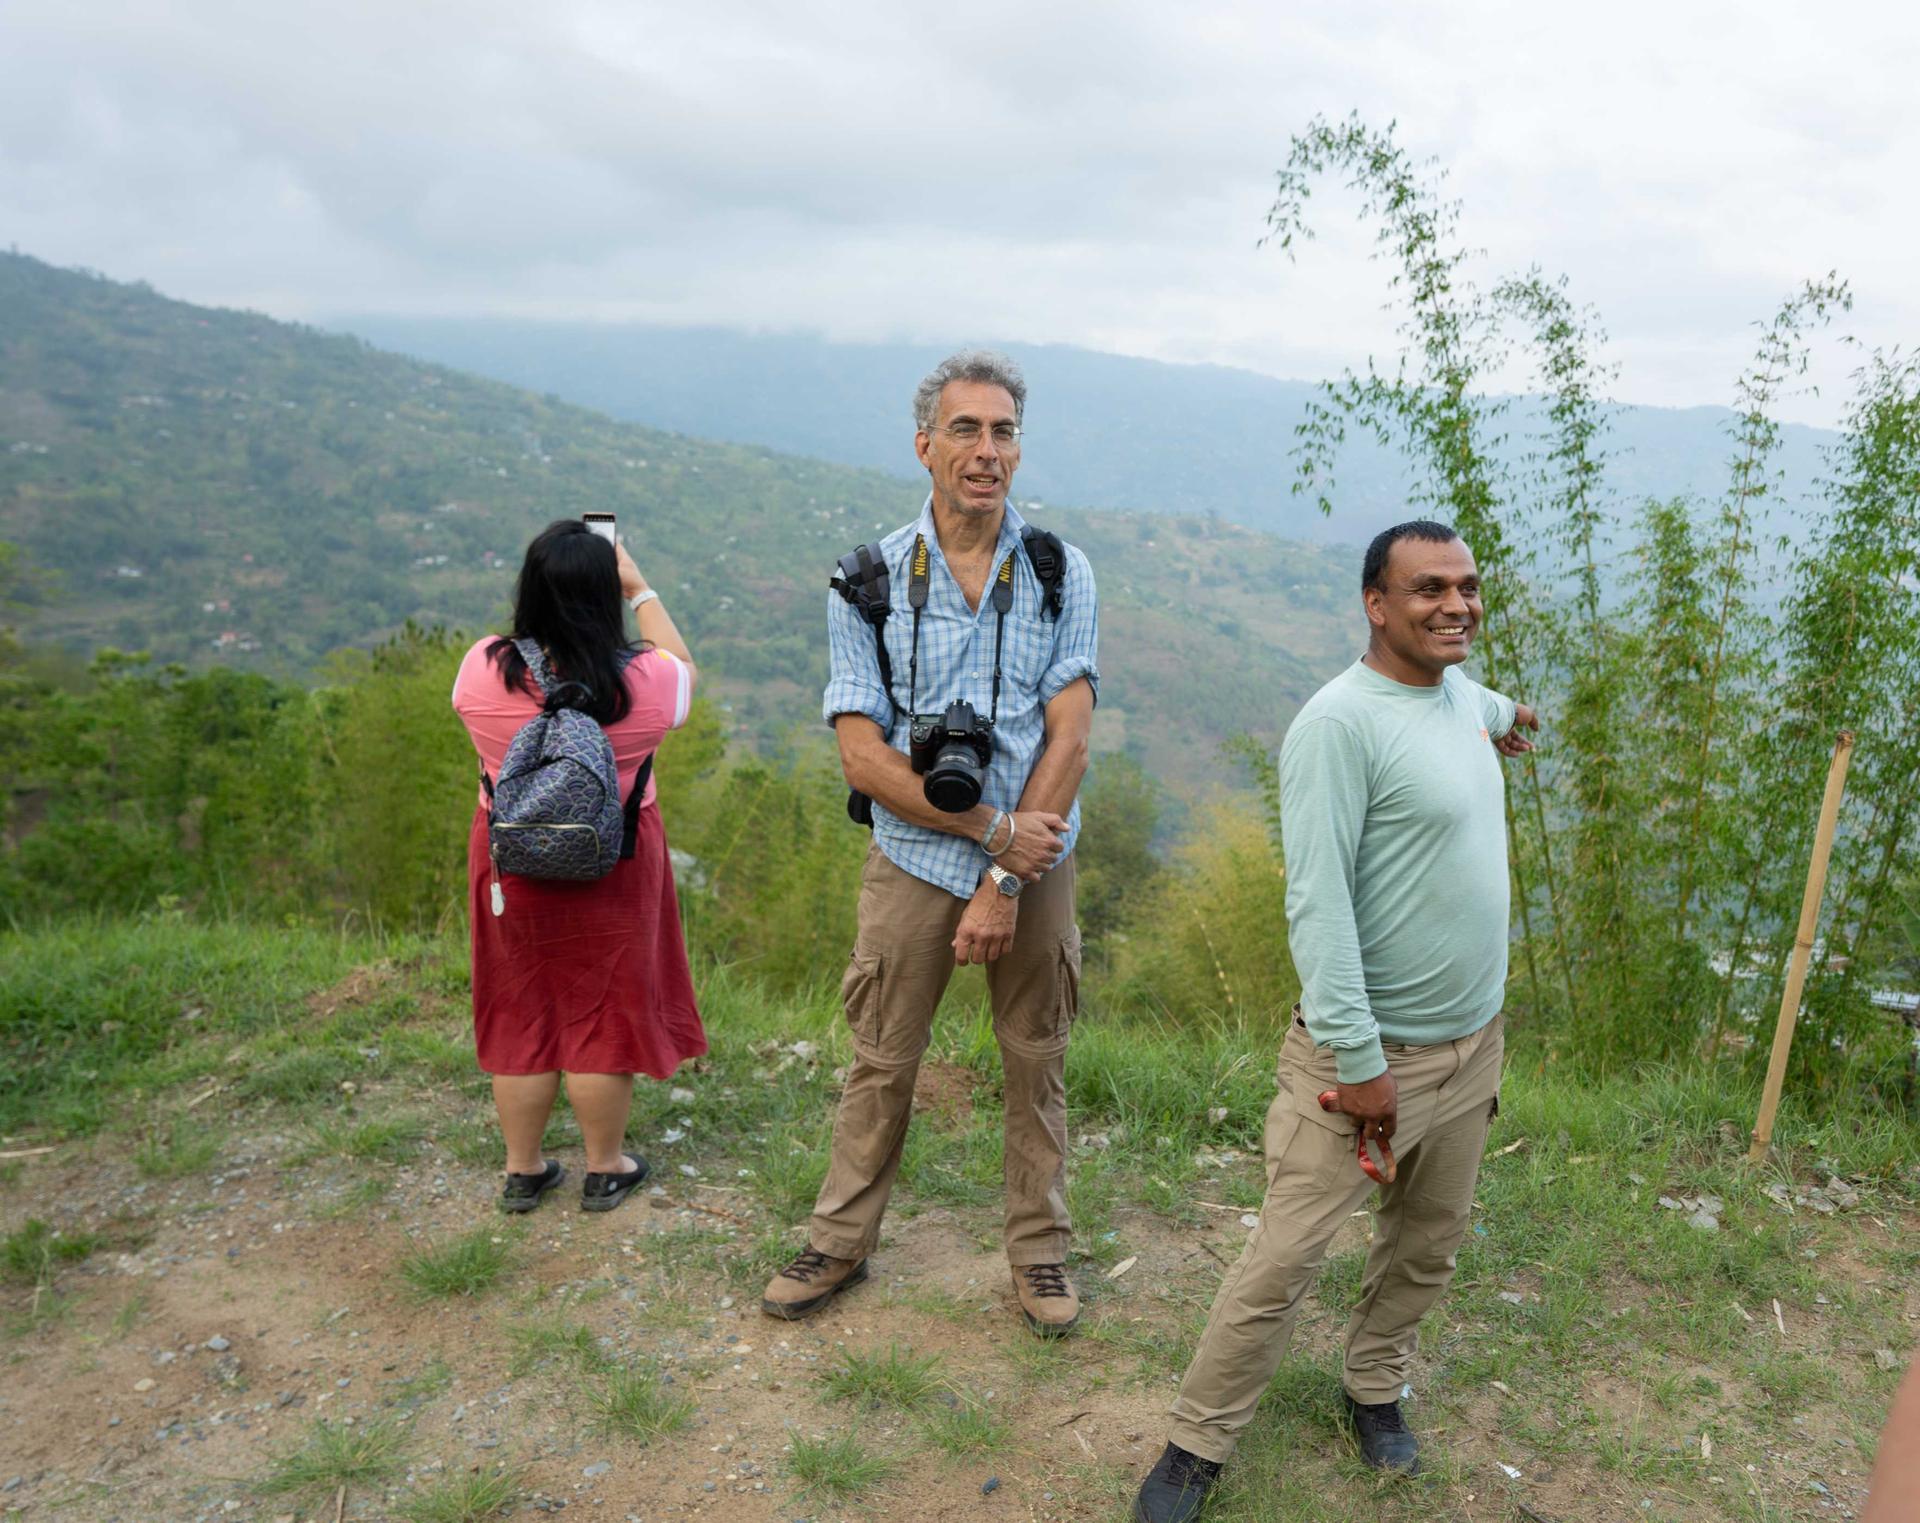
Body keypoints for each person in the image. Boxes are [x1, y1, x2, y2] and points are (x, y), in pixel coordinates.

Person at [1135, 520, 1540, 1521]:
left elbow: (1475, 705)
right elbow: (1317, 906)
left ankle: (1372, 1386)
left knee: (1426, 1243)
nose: (1456, 604)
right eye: (1428, 589)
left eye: (1467, 585)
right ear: (1376, 603)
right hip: (1362, 1057)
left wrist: (1511, 712)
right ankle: (1196, 1442)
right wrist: (1361, 1062)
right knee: (1283, 1259)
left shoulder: (1453, 693)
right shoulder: (1336, 724)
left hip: (1471, 1044)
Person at [759, 349, 1099, 1336]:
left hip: (1034, 862)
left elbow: (1070, 734)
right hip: (913, 855)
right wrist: (988, 826)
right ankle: (839, 1239)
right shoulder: (865, 577)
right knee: (882, 1054)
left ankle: (1039, 1254)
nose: (986, 451)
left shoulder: (1056, 569)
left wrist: (1004, 869)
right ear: (924, 446)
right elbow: (861, 756)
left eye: (1002, 432)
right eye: (965, 429)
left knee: (1037, 1056)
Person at [451, 519, 704, 1215]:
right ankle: (604, 1167)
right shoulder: (646, 680)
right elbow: (687, 672)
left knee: (521, 1004)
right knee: (603, 1009)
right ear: (607, 594)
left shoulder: (482, 665)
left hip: (512, 861)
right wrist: (640, 584)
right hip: (613, 860)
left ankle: (524, 1170)